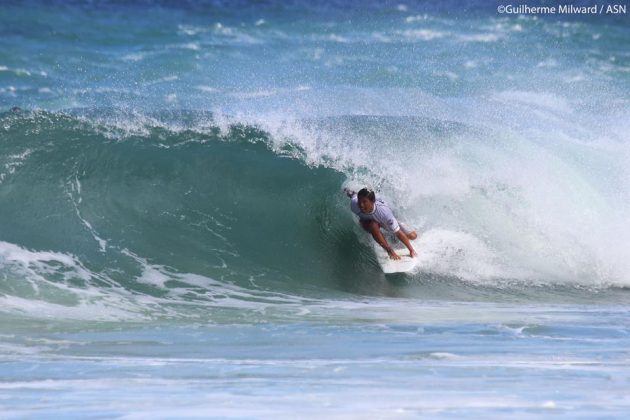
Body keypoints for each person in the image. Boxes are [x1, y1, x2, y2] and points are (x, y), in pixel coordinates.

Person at [345, 187, 417, 260]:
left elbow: (398, 233)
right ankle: (389, 251)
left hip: (388, 215)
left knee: (412, 236)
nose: (361, 205)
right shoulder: (354, 204)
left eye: (364, 202)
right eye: (359, 201)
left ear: (372, 201)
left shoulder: (385, 213)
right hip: (368, 222)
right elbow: (353, 197)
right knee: (373, 225)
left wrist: (411, 250)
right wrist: (348, 191)